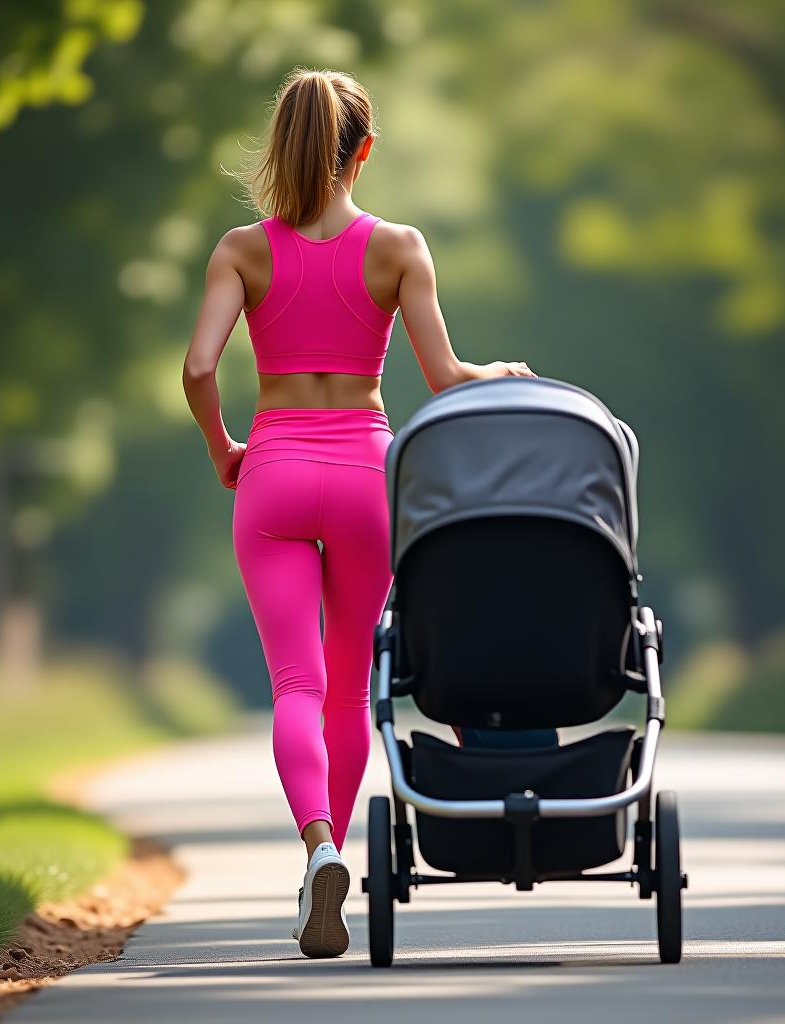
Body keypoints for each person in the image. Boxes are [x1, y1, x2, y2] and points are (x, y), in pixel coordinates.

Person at [182, 66, 536, 959]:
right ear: (363, 151)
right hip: (365, 475)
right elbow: (447, 377)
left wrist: (225, 446)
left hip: (272, 471)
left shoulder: (242, 249)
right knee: (347, 685)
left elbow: (195, 368)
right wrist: (501, 374)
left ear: (280, 149)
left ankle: (320, 848)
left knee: (294, 685)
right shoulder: (399, 247)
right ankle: (323, 868)